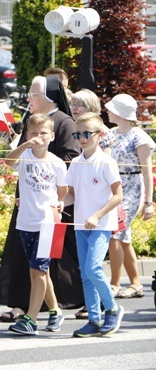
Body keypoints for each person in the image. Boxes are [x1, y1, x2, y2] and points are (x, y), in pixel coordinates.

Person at [0, 75, 82, 323]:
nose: (29, 99)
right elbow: (13, 160)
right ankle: (39, 307)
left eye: (34, 94)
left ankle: (34, 314)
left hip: (48, 210)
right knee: (31, 265)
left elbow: (70, 161)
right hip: (27, 207)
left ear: (47, 97)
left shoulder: (63, 122)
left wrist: (55, 197)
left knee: (40, 267)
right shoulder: (32, 124)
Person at [4, 114, 67, 335]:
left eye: (43, 133)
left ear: (52, 136)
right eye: (33, 133)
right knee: (40, 271)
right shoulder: (25, 156)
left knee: (38, 271)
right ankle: (56, 311)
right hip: (26, 222)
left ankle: (31, 319)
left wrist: (58, 203)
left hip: (48, 223)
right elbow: (8, 162)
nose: (38, 137)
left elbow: (62, 191)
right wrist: (24, 146)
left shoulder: (57, 163)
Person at [66, 112, 124, 337]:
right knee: (85, 275)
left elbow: (117, 195)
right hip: (81, 224)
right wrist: (60, 204)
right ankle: (94, 319)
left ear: (100, 135)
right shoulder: (77, 163)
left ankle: (112, 307)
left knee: (93, 268)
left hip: (100, 224)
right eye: (78, 134)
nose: (81, 138)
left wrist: (98, 215)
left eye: (86, 133)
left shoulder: (106, 161)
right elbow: (71, 194)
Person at [106, 94, 155, 299]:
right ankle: (136, 283)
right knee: (124, 238)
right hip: (115, 187)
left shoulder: (140, 137)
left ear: (120, 112)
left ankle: (115, 283)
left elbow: (146, 171)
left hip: (133, 187)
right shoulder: (109, 134)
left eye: (111, 108)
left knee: (115, 233)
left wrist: (148, 202)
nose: (107, 111)